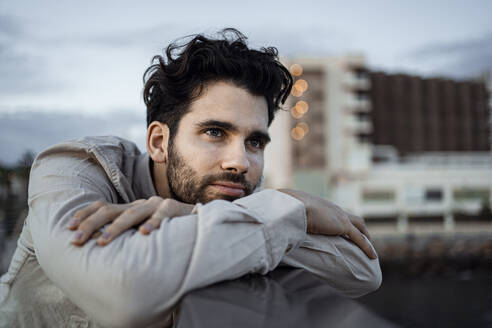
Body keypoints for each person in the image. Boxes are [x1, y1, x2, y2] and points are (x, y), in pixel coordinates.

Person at [0, 28, 381, 328]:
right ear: (159, 142)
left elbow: (363, 271)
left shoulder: (228, 200)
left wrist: (183, 215)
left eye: (254, 142)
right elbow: (125, 295)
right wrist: (289, 207)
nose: (241, 162)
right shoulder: (75, 167)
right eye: (215, 132)